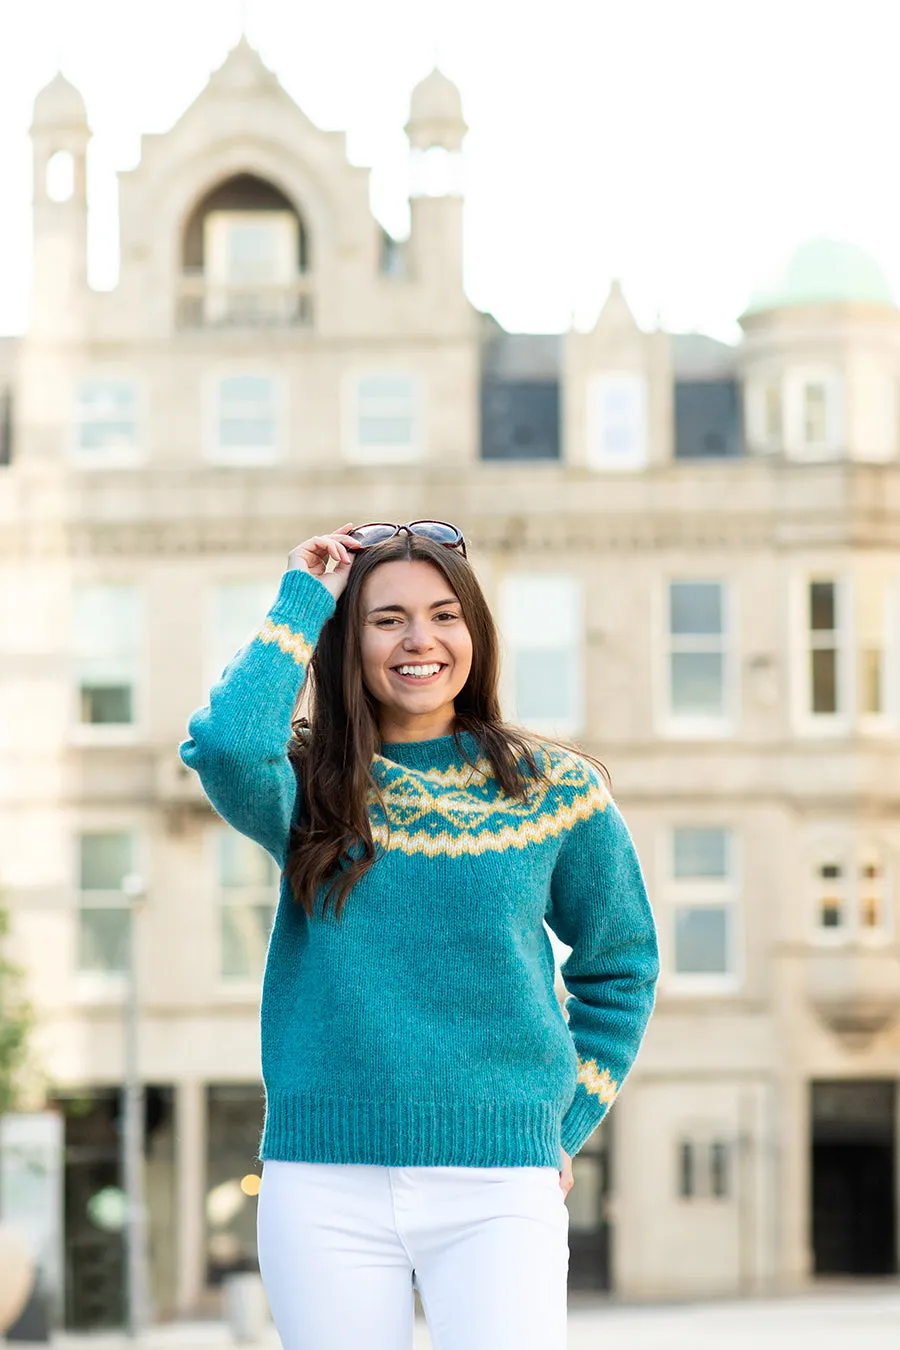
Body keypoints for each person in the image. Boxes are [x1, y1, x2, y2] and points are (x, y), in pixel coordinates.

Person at [179, 519, 659, 1350]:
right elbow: (223, 744)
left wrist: (564, 1123)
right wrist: (305, 596)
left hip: (501, 1179)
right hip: (323, 1180)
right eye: (386, 618)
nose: (420, 640)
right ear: (347, 639)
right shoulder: (304, 784)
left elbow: (620, 966)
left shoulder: (556, 792)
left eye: (444, 614)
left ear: (475, 631)